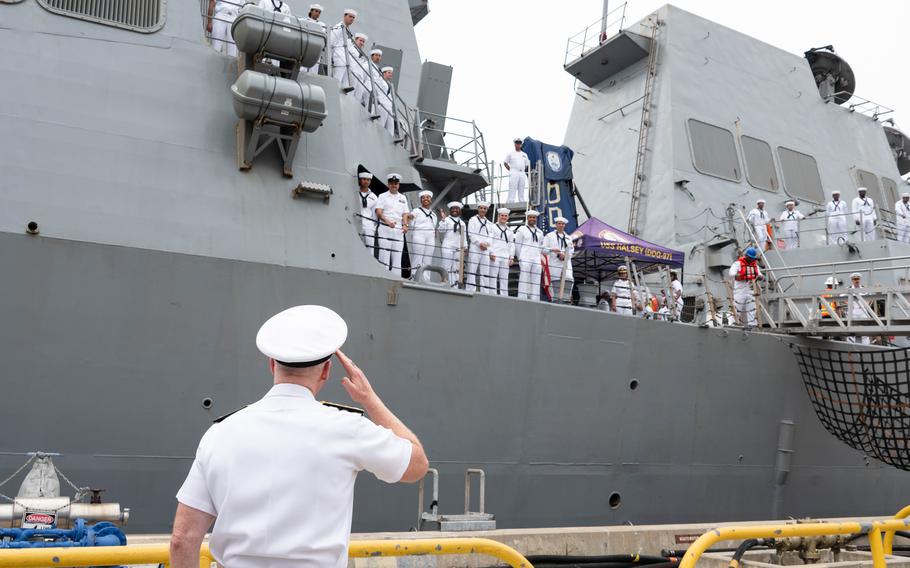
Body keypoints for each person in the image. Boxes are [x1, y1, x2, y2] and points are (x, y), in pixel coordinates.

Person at [170, 305, 428, 568]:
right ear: (326, 371)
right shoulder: (347, 428)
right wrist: (369, 400)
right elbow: (416, 466)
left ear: (272, 365)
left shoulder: (220, 433)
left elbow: (182, 539)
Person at [374, 173, 410, 274]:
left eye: (396, 183)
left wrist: (405, 225)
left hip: (398, 229)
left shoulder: (403, 198)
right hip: (385, 228)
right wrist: (387, 221)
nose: (394, 185)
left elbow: (405, 214)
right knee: (384, 255)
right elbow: (378, 212)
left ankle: (396, 280)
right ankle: (383, 276)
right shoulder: (382, 196)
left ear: (398, 185)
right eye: (392, 183)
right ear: (388, 184)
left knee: (397, 256)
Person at [728, 247, 763, 328]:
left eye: (753, 258)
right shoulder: (738, 264)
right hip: (740, 290)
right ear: (746, 256)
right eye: (750, 258)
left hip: (751, 290)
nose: (751, 259)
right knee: (736, 308)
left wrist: (760, 277)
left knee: (752, 309)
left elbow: (760, 274)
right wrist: (738, 275)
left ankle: (752, 325)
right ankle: (733, 324)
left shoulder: (755, 265)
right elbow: (731, 273)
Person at [542, 216, 574, 302]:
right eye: (559, 223)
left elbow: (571, 251)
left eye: (563, 224)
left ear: (565, 225)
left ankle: (566, 299)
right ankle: (553, 300)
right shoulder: (549, 236)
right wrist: (553, 250)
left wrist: (565, 255)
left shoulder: (568, 238)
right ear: (556, 225)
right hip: (554, 262)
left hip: (566, 262)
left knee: (569, 279)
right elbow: (543, 249)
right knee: (554, 281)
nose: (561, 225)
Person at [513, 210, 543, 300]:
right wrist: (520, 257)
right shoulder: (521, 230)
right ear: (527, 218)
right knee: (524, 278)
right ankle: (522, 298)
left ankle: (535, 298)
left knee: (536, 279)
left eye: (534, 217)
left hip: (536, 257)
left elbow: (540, 246)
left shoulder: (540, 232)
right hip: (525, 257)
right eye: (530, 217)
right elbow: (517, 245)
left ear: (536, 219)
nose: (532, 219)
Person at [407, 190, 437, 272]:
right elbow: (411, 217)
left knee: (428, 259)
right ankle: (414, 277)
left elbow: (434, 227)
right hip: (419, 235)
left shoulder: (433, 215)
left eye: (427, 197)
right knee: (417, 257)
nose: (425, 199)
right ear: (421, 200)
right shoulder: (416, 210)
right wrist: (409, 217)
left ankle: (426, 280)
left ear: (431, 199)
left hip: (430, 237)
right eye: (423, 198)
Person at [466, 202, 493, 293]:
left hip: (485, 249)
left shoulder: (489, 223)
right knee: (472, 269)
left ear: (487, 210)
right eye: (481, 208)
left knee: (485, 270)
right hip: (475, 247)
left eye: (485, 208)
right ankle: (470, 289)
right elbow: (471, 233)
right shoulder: (472, 220)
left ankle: (484, 291)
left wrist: (486, 244)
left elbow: (491, 236)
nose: (483, 210)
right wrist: (479, 243)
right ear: (478, 209)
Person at [438, 201, 466, 286]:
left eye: (457, 209)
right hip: (448, 245)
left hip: (458, 246)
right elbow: (441, 230)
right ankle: (445, 284)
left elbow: (464, 236)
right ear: (450, 210)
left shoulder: (462, 223)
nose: (455, 210)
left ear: (459, 210)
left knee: (456, 267)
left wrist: (465, 247)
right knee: (446, 266)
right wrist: (443, 220)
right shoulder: (446, 220)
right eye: (453, 208)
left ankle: (455, 285)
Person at [488, 207, 515, 296]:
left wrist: (511, 257)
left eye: (505, 216)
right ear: (498, 216)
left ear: (507, 218)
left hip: (505, 256)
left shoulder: (509, 230)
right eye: (502, 215)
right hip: (495, 254)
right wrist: (491, 252)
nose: (503, 217)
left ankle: (504, 296)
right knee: (493, 276)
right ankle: (492, 295)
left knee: (504, 278)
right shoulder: (492, 227)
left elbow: (511, 244)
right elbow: (489, 241)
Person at [329, 9, 357, 89]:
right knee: (338, 74)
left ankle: (344, 87)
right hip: (339, 55)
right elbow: (331, 41)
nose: (351, 19)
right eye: (350, 16)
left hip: (346, 56)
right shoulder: (339, 27)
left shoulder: (348, 30)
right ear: (344, 16)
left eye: (353, 17)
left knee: (350, 70)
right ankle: (334, 88)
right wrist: (330, 58)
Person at [844, 272, 871, 345]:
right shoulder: (848, 289)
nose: (856, 280)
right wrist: (849, 304)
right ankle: (851, 345)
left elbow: (870, 297)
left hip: (863, 311)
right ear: (852, 280)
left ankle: (866, 345)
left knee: (865, 330)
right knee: (852, 329)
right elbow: (842, 297)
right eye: (855, 279)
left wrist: (866, 304)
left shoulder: (864, 288)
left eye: (858, 279)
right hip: (853, 312)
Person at [503, 138, 530, 204]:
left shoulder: (524, 154)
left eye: (519, 143)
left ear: (521, 145)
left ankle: (521, 201)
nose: (518, 144)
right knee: (512, 187)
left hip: (522, 172)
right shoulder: (510, 153)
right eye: (517, 143)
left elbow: (527, 164)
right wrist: (511, 170)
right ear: (515, 144)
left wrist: (523, 169)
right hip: (514, 171)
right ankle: (510, 201)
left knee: (522, 187)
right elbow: (505, 163)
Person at [301, 4, 326, 74]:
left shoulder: (322, 25)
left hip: (316, 48)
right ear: (311, 11)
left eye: (319, 12)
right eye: (316, 11)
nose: (317, 13)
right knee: (302, 65)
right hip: (305, 46)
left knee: (314, 67)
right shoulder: (303, 21)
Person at [356, 172, 378, 253]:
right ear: (360, 180)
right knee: (357, 247)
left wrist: (373, 226)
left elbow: (374, 214)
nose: (366, 181)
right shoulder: (354, 192)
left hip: (368, 225)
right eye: (364, 179)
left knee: (370, 248)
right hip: (356, 222)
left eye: (368, 180)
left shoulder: (373, 197)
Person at [350, 33, 370, 107]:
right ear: (355, 40)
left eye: (363, 42)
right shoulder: (350, 48)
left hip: (360, 77)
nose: (362, 43)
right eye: (360, 40)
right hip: (352, 73)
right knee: (350, 94)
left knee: (357, 97)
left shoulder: (362, 54)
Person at [377, 66, 396, 136]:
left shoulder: (389, 85)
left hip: (389, 108)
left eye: (391, 73)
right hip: (383, 106)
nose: (391, 74)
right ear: (384, 73)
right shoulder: (379, 81)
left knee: (391, 128)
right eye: (389, 73)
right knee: (380, 124)